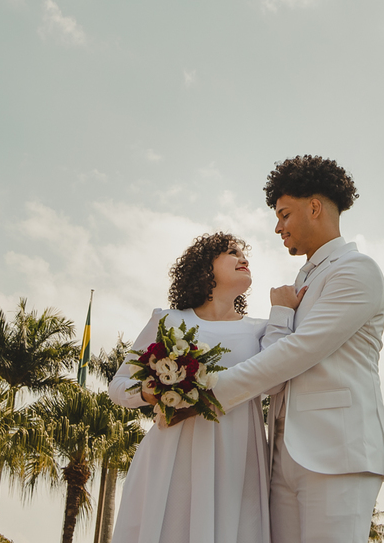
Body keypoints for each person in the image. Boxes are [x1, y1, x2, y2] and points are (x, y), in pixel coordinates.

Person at [210, 155, 384, 543]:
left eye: (284, 214)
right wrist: (279, 310)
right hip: (282, 457)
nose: (278, 227)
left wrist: (210, 391)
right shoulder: (300, 281)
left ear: (314, 207)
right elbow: (279, 367)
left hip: (338, 454)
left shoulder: (356, 270)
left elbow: (300, 351)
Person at [109, 232, 276, 543]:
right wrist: (152, 391)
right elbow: (118, 386)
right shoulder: (167, 320)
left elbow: (275, 381)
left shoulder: (262, 330)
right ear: (204, 268)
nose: (244, 258)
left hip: (237, 457)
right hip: (173, 454)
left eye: (243, 253)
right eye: (231, 252)